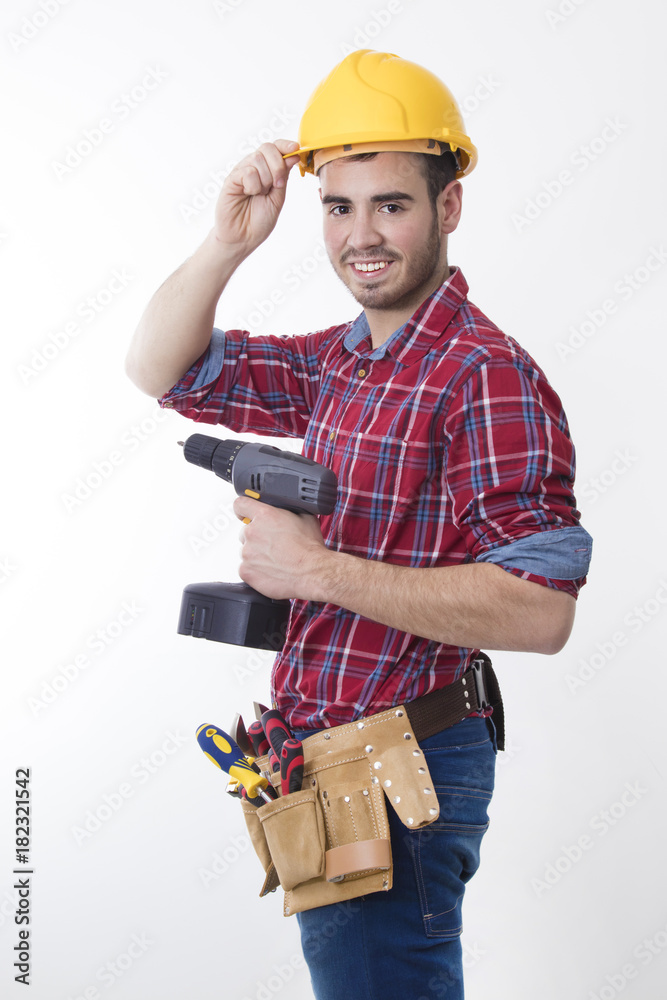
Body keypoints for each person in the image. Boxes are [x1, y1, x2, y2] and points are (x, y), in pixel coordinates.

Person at [126, 49, 592, 1000]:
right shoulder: (345, 360)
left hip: (401, 772)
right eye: (339, 207)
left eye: (391, 204)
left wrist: (319, 571)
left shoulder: (482, 373)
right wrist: (228, 243)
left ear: (447, 206)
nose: (361, 235)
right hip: (329, 767)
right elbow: (159, 369)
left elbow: (542, 611)